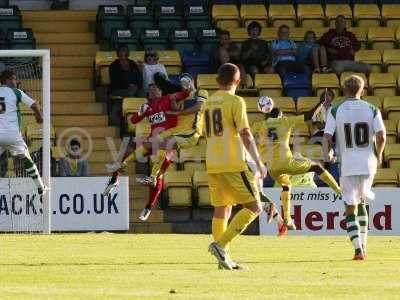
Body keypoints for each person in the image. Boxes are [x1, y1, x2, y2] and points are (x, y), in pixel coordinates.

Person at [206, 63, 268, 270]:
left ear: (217, 80)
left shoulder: (208, 102)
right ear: (239, 81)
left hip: (213, 163)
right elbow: (244, 133)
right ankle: (221, 245)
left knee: (222, 209)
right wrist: (258, 162)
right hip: (232, 163)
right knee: (255, 207)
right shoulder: (236, 101)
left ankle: (222, 260)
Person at [251, 101, 341, 231]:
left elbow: (247, 136)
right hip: (287, 163)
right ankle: (339, 191)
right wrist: (321, 103)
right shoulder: (285, 121)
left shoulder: (260, 125)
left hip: (272, 168)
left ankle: (287, 218)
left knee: (286, 185)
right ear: (280, 115)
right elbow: (309, 115)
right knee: (317, 167)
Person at [323, 75, 386, 261]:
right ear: (363, 90)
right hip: (368, 163)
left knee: (350, 206)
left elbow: (327, 137)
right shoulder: (372, 108)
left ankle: (358, 249)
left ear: (344, 90)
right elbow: (382, 136)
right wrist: (379, 154)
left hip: (348, 163)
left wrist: (329, 154)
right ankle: (364, 244)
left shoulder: (336, 110)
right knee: (363, 202)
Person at [103, 83, 191, 196]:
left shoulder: (168, 98)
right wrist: (140, 111)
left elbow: (185, 94)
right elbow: (134, 120)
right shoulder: (147, 106)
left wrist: (187, 86)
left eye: (155, 89)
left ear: (161, 91)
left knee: (162, 160)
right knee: (127, 151)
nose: (153, 92)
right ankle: (114, 180)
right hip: (153, 141)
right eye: (150, 90)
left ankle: (151, 193)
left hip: (167, 141)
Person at [0, 69, 47, 195]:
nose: (17, 81)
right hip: (12, 135)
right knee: (26, 159)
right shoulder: (16, 92)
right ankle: (41, 187)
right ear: (8, 80)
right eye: (14, 79)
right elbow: (35, 105)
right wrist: (39, 117)